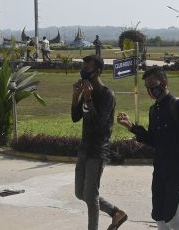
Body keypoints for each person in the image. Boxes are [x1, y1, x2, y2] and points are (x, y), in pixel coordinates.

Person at [117, 66, 179, 230]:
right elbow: (153, 140)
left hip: (178, 171)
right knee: (159, 214)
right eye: (147, 87)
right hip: (160, 168)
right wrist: (132, 127)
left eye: (153, 84)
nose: (151, 90)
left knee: (172, 215)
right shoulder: (154, 110)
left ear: (164, 82)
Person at [71, 55, 127, 230]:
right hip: (84, 148)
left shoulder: (106, 94)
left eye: (87, 68)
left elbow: (100, 125)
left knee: (91, 196)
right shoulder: (89, 92)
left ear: (98, 72)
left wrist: (88, 99)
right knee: (80, 193)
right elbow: (75, 117)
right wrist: (76, 96)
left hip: (98, 151)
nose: (84, 71)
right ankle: (116, 213)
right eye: (83, 67)